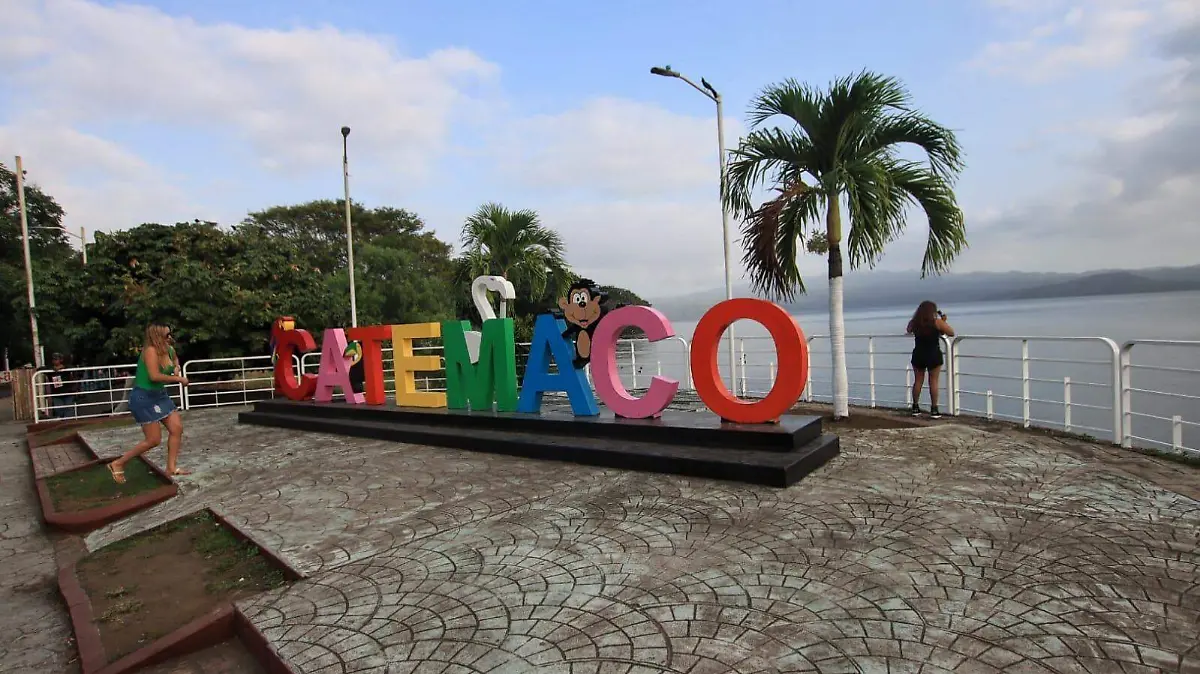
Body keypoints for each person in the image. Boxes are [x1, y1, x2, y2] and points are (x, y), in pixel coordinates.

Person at [109, 324, 190, 483]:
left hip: (160, 395)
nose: (170, 337)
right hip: (143, 398)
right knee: (153, 440)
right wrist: (178, 379)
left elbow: (175, 360)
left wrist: (176, 367)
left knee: (177, 428)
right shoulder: (150, 351)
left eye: (170, 334)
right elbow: (154, 376)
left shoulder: (169, 349)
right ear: (157, 336)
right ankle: (118, 463)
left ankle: (171, 467)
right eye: (166, 335)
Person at [906, 301, 955, 418]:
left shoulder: (914, 323)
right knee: (933, 382)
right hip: (933, 355)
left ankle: (915, 407)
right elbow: (951, 333)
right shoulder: (937, 322)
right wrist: (943, 322)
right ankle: (934, 409)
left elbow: (908, 330)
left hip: (918, 354)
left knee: (918, 381)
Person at [47, 353, 79, 418]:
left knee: (69, 409)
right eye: (54, 359)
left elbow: (73, 368)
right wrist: (52, 368)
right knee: (58, 409)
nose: (55, 361)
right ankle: (62, 420)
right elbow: (40, 369)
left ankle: (68, 422)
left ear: (61, 360)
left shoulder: (66, 369)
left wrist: (63, 368)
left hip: (68, 392)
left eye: (56, 359)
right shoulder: (50, 370)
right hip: (57, 394)